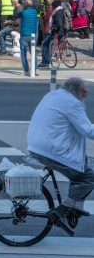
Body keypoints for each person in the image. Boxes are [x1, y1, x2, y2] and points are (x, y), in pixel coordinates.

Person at [27, 76, 94, 234]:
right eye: (85, 92)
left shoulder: (53, 95)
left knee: (81, 164)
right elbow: (87, 130)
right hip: (52, 150)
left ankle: (76, 205)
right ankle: (61, 211)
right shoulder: (73, 103)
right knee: (87, 177)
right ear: (76, 90)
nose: (86, 95)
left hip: (37, 144)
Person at [18, 0, 39, 76]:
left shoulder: (23, 12)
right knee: (33, 52)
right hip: (33, 34)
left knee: (23, 53)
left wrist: (19, 7)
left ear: (25, 4)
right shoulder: (35, 11)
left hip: (24, 34)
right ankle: (36, 69)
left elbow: (16, 15)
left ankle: (26, 70)